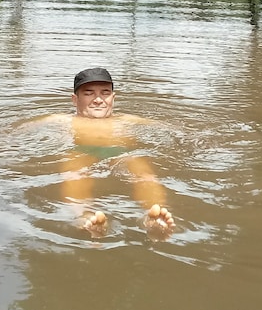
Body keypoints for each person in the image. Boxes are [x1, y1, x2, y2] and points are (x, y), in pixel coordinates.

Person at [41, 67, 175, 239]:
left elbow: (173, 130)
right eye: (89, 93)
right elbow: (15, 131)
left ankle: (153, 217)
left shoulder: (128, 120)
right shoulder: (61, 120)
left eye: (105, 93)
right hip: (80, 151)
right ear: (75, 99)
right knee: (74, 173)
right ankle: (86, 216)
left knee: (145, 174)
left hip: (121, 153)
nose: (98, 100)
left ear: (113, 97)